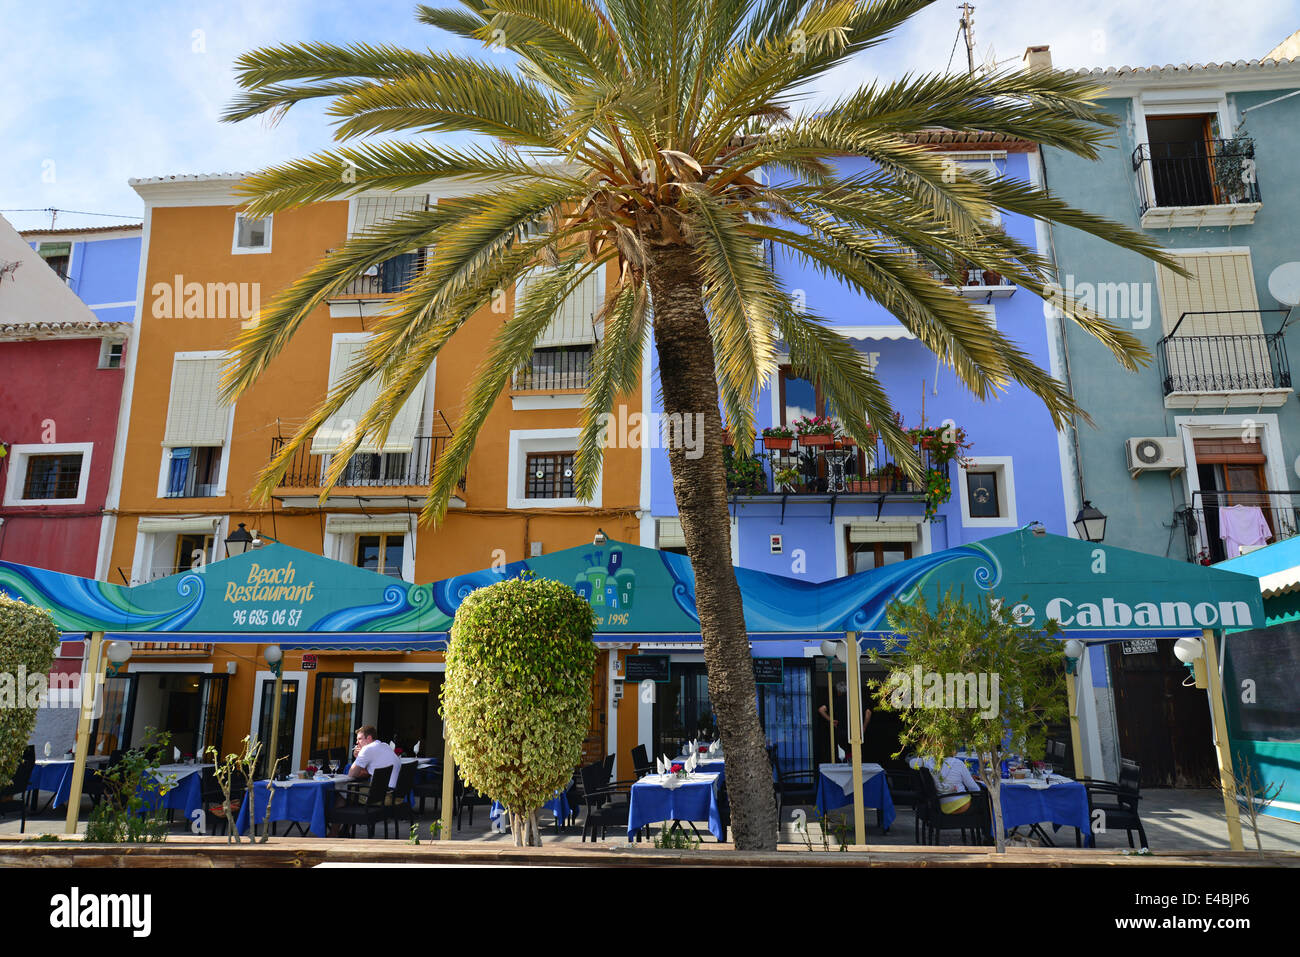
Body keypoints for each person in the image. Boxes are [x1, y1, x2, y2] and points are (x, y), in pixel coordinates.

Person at [818, 678, 871, 762]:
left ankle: (845, 765)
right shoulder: (855, 701)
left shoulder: (834, 701)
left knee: (842, 751)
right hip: (855, 731)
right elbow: (868, 712)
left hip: (840, 731)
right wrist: (863, 727)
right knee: (855, 752)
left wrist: (831, 720)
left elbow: (821, 709)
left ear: (838, 692)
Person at [909, 754, 981, 814]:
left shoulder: (928, 761)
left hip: (939, 803)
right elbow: (974, 788)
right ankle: (988, 829)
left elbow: (911, 762)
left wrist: (924, 760)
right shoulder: (958, 763)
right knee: (983, 799)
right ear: (953, 751)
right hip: (961, 805)